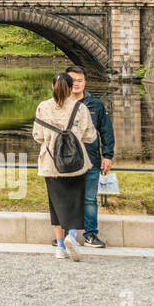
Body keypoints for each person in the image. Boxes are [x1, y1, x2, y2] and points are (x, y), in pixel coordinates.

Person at [34, 72, 98, 261]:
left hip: (51, 163)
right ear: (71, 88)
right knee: (76, 202)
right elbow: (90, 136)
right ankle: (72, 235)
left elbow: (37, 136)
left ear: (52, 86)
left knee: (56, 205)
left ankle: (60, 246)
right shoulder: (80, 107)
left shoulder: (43, 107)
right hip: (77, 164)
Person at [67, 65, 115, 249]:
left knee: (89, 199)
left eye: (80, 80)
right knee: (68, 198)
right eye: (73, 81)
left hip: (91, 159)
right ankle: (66, 234)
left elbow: (106, 132)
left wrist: (108, 155)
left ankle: (90, 235)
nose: (76, 84)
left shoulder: (96, 105)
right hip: (67, 161)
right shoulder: (60, 103)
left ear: (85, 82)